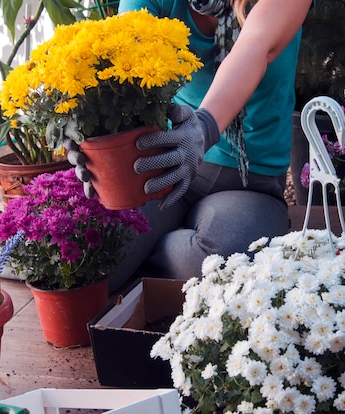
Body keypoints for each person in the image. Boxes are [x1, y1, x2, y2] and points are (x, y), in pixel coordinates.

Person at [67, 0, 314, 293]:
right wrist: (92, 134)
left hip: (247, 184)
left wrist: (203, 127)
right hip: (165, 164)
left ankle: (152, 251)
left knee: (224, 269)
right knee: (90, 256)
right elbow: (124, 54)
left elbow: (257, 46)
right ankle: (160, 250)